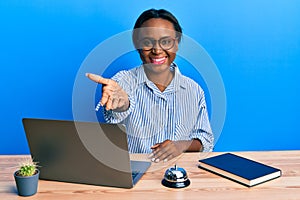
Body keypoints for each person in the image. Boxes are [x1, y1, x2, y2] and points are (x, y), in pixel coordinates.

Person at [86, 8, 213, 163]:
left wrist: (181, 145)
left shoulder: (194, 90)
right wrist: (121, 102)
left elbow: (205, 140)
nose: (157, 50)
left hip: (180, 175)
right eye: (147, 42)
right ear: (137, 45)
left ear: (177, 44)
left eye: (166, 42)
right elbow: (120, 105)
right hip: (135, 175)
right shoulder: (124, 80)